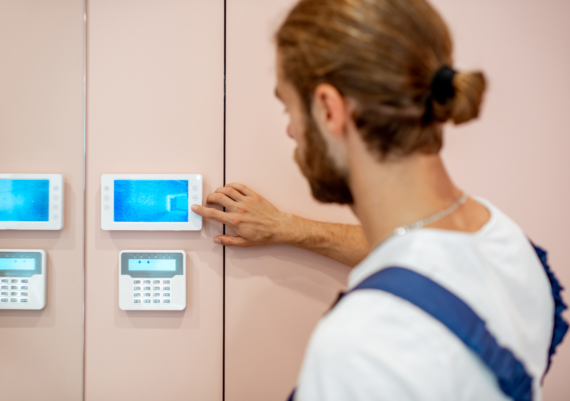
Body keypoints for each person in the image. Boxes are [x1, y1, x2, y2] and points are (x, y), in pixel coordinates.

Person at [193, 0, 568, 399]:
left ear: (327, 109)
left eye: (288, 107)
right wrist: (288, 227)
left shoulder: (367, 344)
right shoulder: (505, 239)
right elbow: (420, 255)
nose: (290, 131)